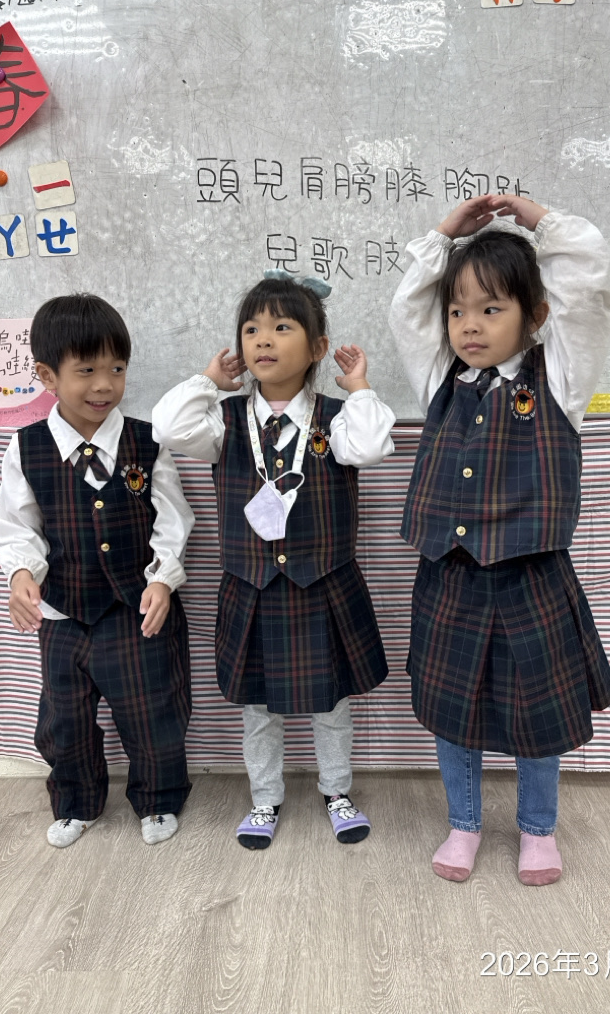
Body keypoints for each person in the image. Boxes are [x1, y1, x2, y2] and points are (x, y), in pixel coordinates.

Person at [389, 194, 610, 885]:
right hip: (451, 576)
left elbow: (588, 286)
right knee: (452, 714)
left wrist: (542, 222)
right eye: (458, 311)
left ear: (535, 316)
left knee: (538, 717)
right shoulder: (441, 379)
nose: (469, 325)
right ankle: (463, 823)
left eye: (491, 309)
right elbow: (408, 310)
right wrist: (442, 237)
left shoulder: (562, 378)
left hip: (530, 578)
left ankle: (538, 829)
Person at [152, 270, 394, 848]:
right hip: (252, 587)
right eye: (252, 329)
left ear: (316, 347)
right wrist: (209, 381)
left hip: (325, 585)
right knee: (258, 708)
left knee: (331, 703)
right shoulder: (223, 421)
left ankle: (337, 791)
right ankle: (265, 798)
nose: (263, 339)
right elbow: (168, 426)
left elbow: (369, 447)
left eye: (282, 327)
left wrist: (360, 387)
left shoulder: (337, 418)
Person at [0, 294, 194, 848]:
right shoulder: (28, 448)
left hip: (136, 610)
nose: (104, 385)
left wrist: (162, 577)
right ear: (47, 375)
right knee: (66, 721)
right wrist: (21, 574)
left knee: (152, 712)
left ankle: (158, 799)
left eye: (117, 369)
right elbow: (16, 524)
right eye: (86, 371)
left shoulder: (147, 442)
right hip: (62, 614)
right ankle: (76, 802)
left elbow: (173, 518)